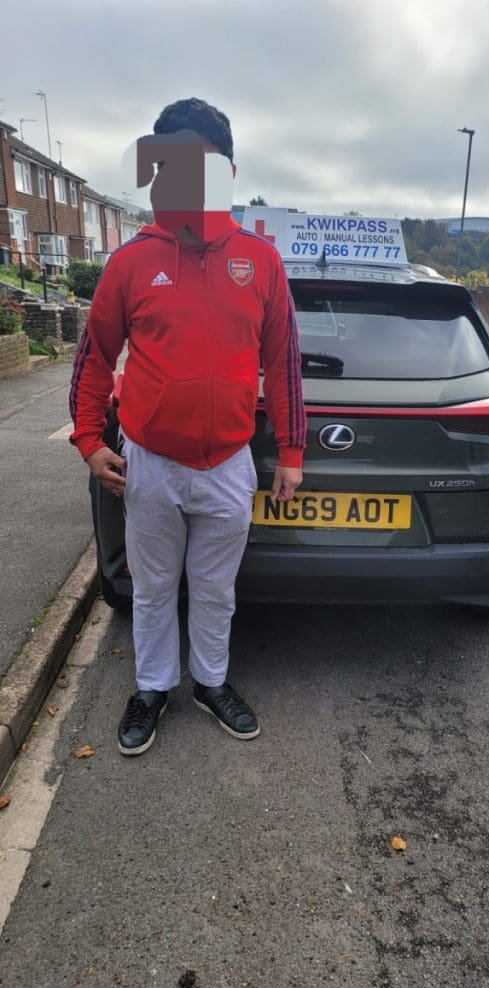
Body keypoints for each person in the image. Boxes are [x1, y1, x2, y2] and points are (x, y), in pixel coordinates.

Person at [69, 98, 306, 756]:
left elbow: (284, 362)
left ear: (226, 171)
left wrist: (291, 451)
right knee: (151, 590)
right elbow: (94, 359)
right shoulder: (131, 262)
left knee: (214, 589)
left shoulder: (260, 261)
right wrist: (89, 440)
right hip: (150, 462)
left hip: (228, 463)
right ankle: (152, 688)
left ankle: (210, 682)